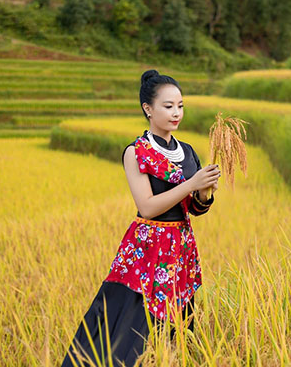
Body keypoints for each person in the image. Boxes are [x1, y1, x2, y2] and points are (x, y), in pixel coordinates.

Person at [61, 69, 220, 367]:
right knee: (130, 326)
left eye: (181, 106)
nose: (176, 113)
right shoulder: (136, 153)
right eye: (168, 106)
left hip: (179, 247)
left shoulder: (187, 152)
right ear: (148, 109)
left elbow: (194, 209)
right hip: (147, 249)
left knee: (176, 324)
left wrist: (204, 193)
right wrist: (191, 184)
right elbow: (146, 206)